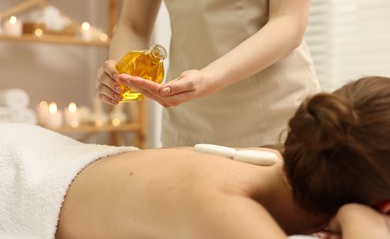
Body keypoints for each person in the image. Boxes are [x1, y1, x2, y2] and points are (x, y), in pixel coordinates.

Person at [1, 76, 389, 239]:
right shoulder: (226, 205)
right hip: (15, 177)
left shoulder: (272, 163)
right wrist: (360, 217)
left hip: (36, 151)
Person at [96, 0, 321, 147]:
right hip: (186, 124)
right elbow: (133, 25)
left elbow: (289, 22)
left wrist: (207, 79)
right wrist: (121, 73)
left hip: (271, 120)